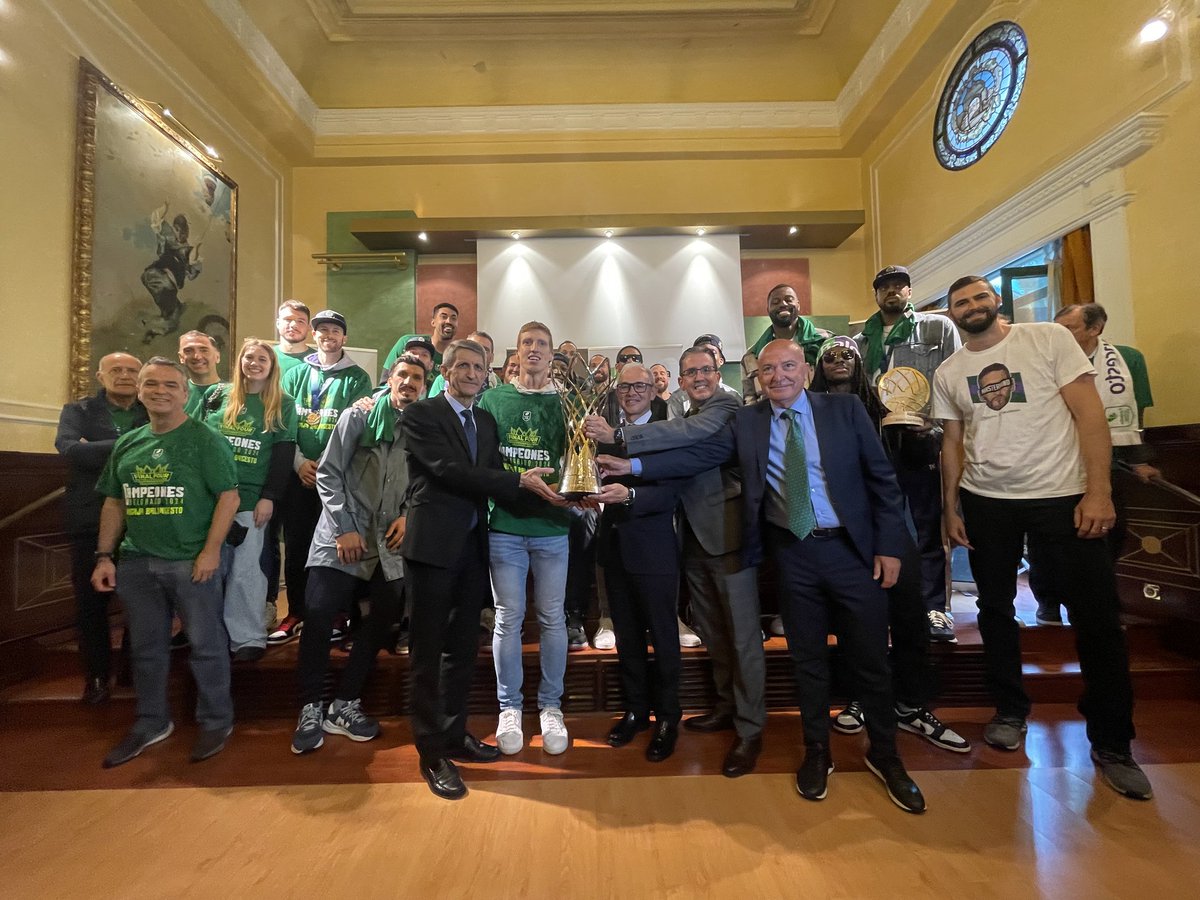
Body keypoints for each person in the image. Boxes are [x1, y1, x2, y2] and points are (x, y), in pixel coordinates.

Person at [619, 340, 927, 813]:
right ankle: (817, 753)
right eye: (768, 369)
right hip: (794, 553)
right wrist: (633, 465)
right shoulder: (749, 420)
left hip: (853, 552)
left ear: (804, 369)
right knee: (807, 663)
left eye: (787, 366)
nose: (778, 375)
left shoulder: (843, 410)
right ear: (757, 377)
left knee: (870, 660)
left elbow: (882, 480)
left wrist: (888, 546)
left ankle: (886, 756)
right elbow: (698, 458)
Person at [934, 275, 1151, 800]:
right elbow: (954, 442)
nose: (972, 307)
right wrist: (950, 507)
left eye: (979, 297)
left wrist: (1098, 491)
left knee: (1098, 616)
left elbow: (1090, 415)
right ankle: (1010, 710)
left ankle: (1113, 741)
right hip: (988, 502)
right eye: (961, 302)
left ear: (996, 302)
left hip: (1061, 495)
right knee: (994, 611)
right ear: (951, 315)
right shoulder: (949, 371)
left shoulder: (1048, 339)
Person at [400, 338, 562, 800]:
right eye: (463, 365)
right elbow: (448, 469)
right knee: (427, 654)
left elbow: (498, 475)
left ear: (487, 373)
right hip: (432, 548)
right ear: (446, 371)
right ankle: (430, 752)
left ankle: (453, 735)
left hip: (474, 547)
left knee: (460, 650)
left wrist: (561, 493)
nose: (471, 373)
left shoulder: (486, 421)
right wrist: (517, 481)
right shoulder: (421, 415)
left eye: (478, 367)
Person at [595, 349, 766, 777]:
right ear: (680, 380)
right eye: (690, 372)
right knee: (708, 632)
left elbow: (683, 467)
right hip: (681, 540)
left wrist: (625, 461)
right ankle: (699, 710)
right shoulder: (681, 415)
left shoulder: (711, 412)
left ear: (655, 389)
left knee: (735, 637)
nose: (698, 377)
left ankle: (741, 727)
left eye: (705, 370)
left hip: (712, 536)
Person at [808, 336, 969, 754]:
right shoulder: (806, 413)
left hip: (895, 522)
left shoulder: (888, 407)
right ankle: (863, 697)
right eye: (830, 357)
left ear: (860, 365)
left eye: (847, 355)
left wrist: (921, 434)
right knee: (857, 621)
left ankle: (912, 704)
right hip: (846, 531)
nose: (839, 361)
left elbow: (913, 467)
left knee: (909, 614)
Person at [91, 358, 239, 768]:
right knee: (146, 648)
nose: (161, 391)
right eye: (152, 384)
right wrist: (105, 555)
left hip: (191, 560)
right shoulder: (128, 443)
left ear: (185, 393)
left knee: (207, 645)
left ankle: (216, 719)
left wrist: (210, 551)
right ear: (140, 390)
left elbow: (229, 496)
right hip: (137, 562)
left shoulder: (204, 439)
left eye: (171, 385)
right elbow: (114, 501)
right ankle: (152, 720)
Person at [290, 354, 426, 754]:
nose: (409, 382)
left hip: (389, 543)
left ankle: (345, 703)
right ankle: (310, 706)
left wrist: (408, 516)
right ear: (389, 378)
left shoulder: (422, 427)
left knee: (383, 620)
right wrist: (345, 528)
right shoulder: (359, 416)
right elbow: (329, 472)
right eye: (402, 374)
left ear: (425, 384)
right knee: (317, 615)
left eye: (417, 377)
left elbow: (424, 480)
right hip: (342, 536)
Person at [1030, 303, 1160, 624]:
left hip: (1107, 463)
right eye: (1056, 327)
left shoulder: (1127, 360)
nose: (1059, 335)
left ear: (1094, 329)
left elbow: (1134, 416)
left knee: (1101, 536)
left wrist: (1139, 460)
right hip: (1053, 462)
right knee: (1045, 536)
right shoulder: (1043, 362)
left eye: (1069, 328)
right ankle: (1047, 600)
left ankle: (1086, 604)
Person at [477, 322, 573, 756]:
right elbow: (484, 462)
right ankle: (508, 708)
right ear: (515, 353)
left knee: (552, 618)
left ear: (552, 353)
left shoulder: (569, 402)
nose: (534, 349)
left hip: (553, 527)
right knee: (507, 619)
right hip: (507, 528)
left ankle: (551, 706)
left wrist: (572, 495)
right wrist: (517, 482)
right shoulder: (494, 399)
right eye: (527, 343)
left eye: (542, 344)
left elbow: (576, 461)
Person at [854, 266, 962, 641]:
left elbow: (954, 379)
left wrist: (934, 423)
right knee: (878, 525)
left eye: (899, 285)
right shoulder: (861, 341)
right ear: (876, 294)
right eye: (884, 287)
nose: (892, 291)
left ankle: (935, 607)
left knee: (926, 525)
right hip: (875, 443)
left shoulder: (937, 328)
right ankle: (887, 602)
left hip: (920, 438)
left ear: (910, 291)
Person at [589, 364, 684, 763]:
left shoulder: (668, 431)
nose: (631, 392)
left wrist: (628, 496)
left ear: (653, 391)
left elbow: (673, 491)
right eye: (624, 386)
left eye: (639, 386)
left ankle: (668, 717)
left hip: (655, 550)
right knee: (627, 638)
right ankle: (636, 711)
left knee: (663, 638)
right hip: (614, 549)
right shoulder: (604, 433)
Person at [272, 310, 373, 644]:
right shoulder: (296, 375)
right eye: (322, 330)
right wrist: (300, 462)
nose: (328, 334)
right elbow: (284, 421)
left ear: (345, 338)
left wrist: (328, 467)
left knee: (338, 547)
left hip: (338, 477)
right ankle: (297, 611)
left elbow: (355, 426)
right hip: (300, 475)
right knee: (298, 545)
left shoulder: (357, 378)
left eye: (335, 330)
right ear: (314, 336)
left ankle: (339, 612)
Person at [55, 352, 148, 704]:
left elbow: (162, 445)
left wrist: (93, 448)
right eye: (116, 370)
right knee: (91, 605)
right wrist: (134, 444)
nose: (124, 375)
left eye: (131, 370)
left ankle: (130, 669)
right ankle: (96, 676)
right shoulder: (78, 411)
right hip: (89, 518)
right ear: (100, 375)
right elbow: (68, 450)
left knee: (139, 602)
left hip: (142, 517)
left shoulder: (148, 409)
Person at [200, 339, 297, 660]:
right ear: (239, 361)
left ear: (272, 366)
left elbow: (283, 455)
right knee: (208, 571)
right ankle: (207, 635)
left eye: (262, 359)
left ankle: (247, 637)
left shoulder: (282, 402)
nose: (254, 363)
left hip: (250, 501)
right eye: (249, 358)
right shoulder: (218, 397)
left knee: (246, 572)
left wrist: (269, 497)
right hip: (209, 500)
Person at [741, 283, 832, 401]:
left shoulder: (826, 342)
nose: (783, 304)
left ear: (798, 305)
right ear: (768, 310)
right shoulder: (751, 356)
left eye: (789, 300)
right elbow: (750, 400)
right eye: (775, 302)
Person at [140, 203, 201, 342]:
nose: (181, 234)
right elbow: (157, 221)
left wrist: (195, 255)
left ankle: (153, 332)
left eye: (184, 231)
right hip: (156, 275)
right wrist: (164, 207)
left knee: (175, 315)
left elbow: (191, 274)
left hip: (169, 284)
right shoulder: (169, 240)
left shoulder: (188, 251)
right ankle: (156, 324)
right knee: (166, 289)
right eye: (178, 230)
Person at [380, 301, 460, 380]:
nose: (449, 321)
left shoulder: (457, 356)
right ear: (433, 322)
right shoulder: (407, 342)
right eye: (444, 317)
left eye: (453, 318)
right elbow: (386, 378)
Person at [429, 330, 501, 398]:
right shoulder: (442, 380)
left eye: (485, 350)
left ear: (492, 357)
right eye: (472, 347)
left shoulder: (497, 383)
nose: (478, 352)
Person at [178, 331, 223, 417]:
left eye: (204, 350)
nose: (197, 356)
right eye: (188, 351)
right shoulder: (174, 394)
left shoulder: (233, 393)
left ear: (217, 356)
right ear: (181, 358)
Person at [272, 299, 312, 377]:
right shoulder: (265, 357)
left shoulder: (318, 361)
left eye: (300, 321)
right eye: (288, 319)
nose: (293, 325)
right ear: (278, 323)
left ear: (309, 327)